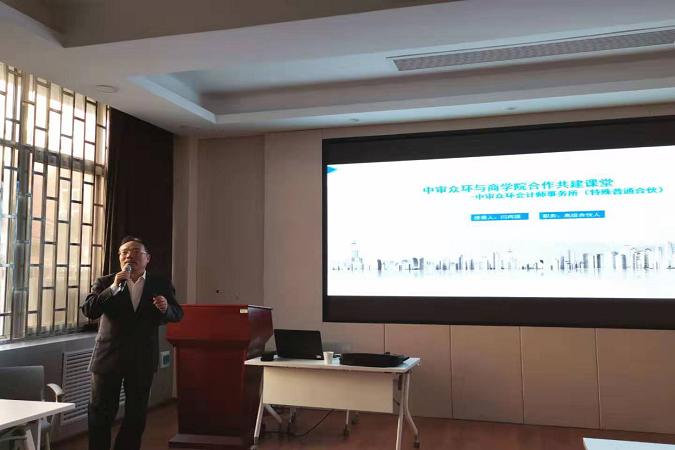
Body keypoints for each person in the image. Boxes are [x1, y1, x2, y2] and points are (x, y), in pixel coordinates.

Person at [81, 236, 183, 450]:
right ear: (119, 258)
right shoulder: (105, 282)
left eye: (136, 251)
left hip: (142, 358)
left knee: (136, 416)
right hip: (108, 358)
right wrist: (112, 289)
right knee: (100, 413)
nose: (129, 255)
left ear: (147, 258)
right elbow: (90, 310)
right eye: (125, 252)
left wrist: (166, 308)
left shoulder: (160, 283)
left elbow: (177, 314)